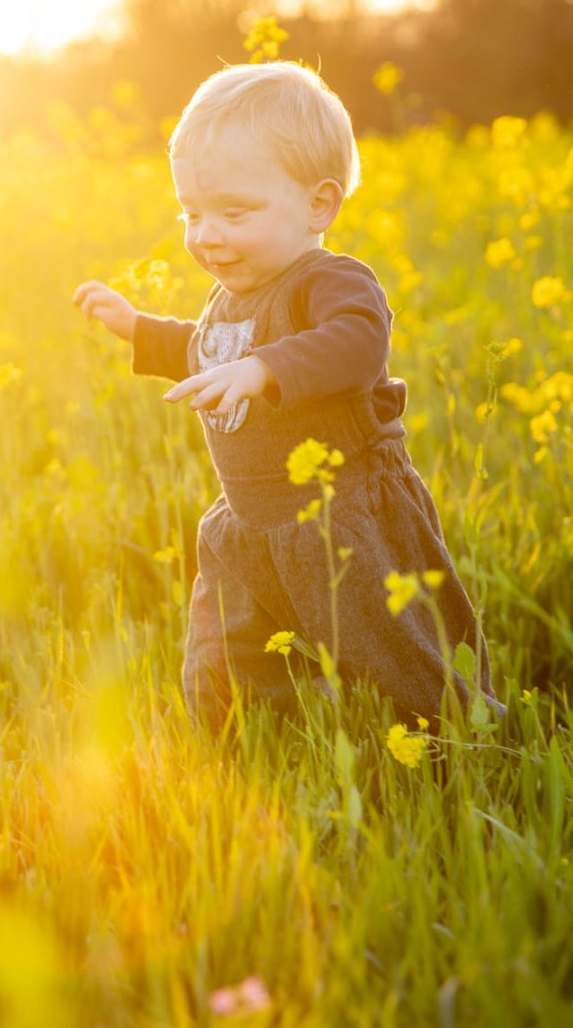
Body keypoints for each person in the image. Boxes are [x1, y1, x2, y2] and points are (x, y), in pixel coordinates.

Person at [72, 60, 501, 731]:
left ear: (318, 204)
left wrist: (265, 368)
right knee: (227, 666)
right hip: (250, 523)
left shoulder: (331, 282)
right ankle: (259, 758)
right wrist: (138, 327)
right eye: (191, 212)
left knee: (402, 665)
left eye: (233, 211)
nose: (206, 233)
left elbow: (358, 343)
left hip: (344, 519)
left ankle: (476, 746)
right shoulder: (232, 293)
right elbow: (208, 349)